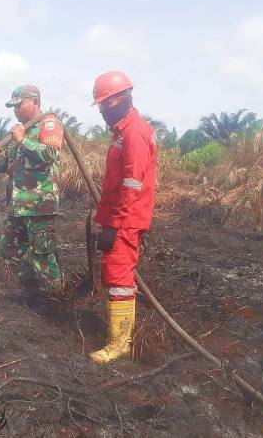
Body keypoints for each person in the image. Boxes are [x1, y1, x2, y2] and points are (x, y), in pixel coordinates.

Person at [89, 71, 158, 365]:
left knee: (119, 278)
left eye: (105, 104)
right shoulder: (122, 132)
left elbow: (131, 185)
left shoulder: (134, 133)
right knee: (117, 276)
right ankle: (120, 339)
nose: (102, 111)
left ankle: (119, 344)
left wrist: (114, 226)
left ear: (121, 99)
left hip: (126, 220)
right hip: (119, 218)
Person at [0, 85, 65, 304]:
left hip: (40, 203)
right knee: (10, 247)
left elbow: (50, 153)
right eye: (13, 107)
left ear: (35, 101)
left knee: (42, 252)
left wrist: (22, 140)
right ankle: (30, 290)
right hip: (18, 204)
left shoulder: (48, 123)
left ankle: (54, 298)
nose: (15, 110)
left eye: (19, 105)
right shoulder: (21, 130)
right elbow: (4, 166)